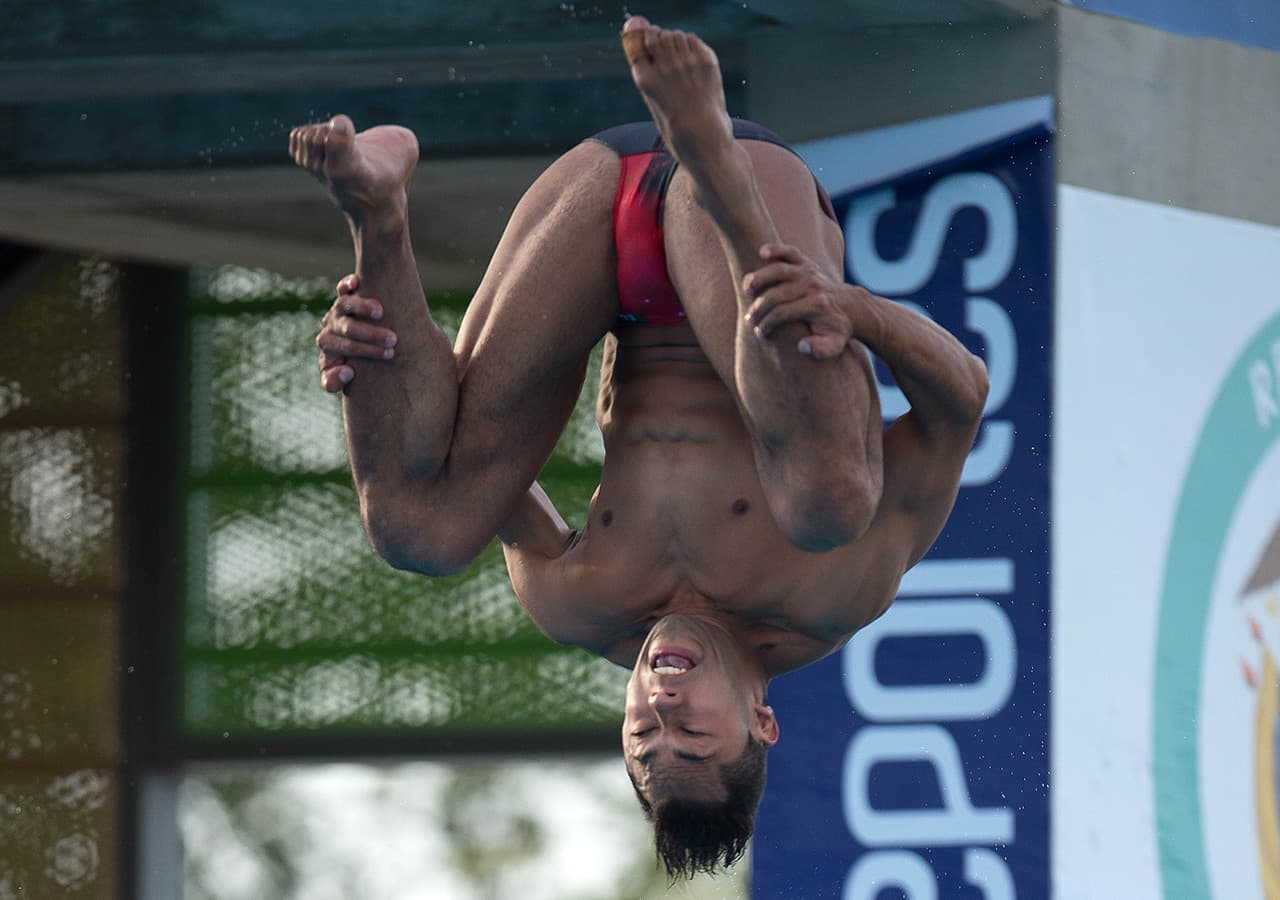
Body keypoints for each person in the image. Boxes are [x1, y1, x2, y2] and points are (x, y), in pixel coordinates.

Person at [289, 15, 988, 879]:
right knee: (830, 504)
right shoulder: (839, 592)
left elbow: (463, 452)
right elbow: (961, 401)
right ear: (762, 721)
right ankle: (711, 158)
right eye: (692, 730)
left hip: (590, 224)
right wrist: (857, 313)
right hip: (733, 212)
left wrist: (371, 378)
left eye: (643, 732)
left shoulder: (579, 604)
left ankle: (376, 212)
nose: (663, 704)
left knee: (419, 535)